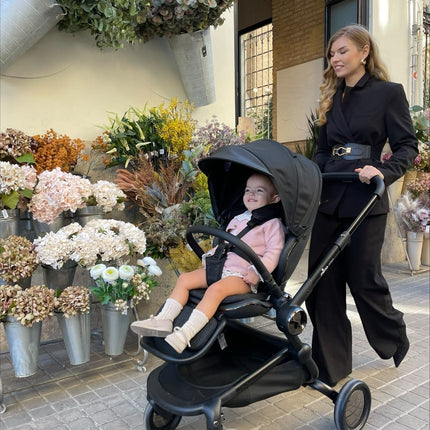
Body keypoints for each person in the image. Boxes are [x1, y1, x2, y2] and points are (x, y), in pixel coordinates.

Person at [306, 24, 419, 387]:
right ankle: (330, 367)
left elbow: (407, 146)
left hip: (365, 198)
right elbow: (322, 150)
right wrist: (314, 173)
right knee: (321, 283)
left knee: (364, 281)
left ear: (363, 51)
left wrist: (382, 170)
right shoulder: (331, 97)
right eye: (332, 54)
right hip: (329, 196)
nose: (335, 59)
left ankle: (393, 335)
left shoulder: (388, 93)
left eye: (342, 51)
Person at [131, 172, 285, 353]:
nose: (251, 194)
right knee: (185, 279)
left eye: (259, 190)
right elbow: (224, 244)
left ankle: (185, 335)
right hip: (220, 267)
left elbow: (273, 253)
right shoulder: (238, 219)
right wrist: (210, 257)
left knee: (215, 290)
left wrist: (258, 272)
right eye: (247, 190)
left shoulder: (272, 224)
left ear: (275, 198)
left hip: (243, 275)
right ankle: (163, 320)